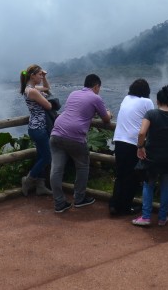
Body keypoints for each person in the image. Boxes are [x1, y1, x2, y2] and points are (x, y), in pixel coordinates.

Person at [49, 73, 112, 213]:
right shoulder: (96, 98)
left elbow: (75, 111)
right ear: (96, 86)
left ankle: (59, 202)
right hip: (75, 137)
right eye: (99, 88)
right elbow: (106, 119)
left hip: (56, 132)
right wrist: (109, 113)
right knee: (83, 166)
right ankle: (79, 198)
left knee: (56, 169)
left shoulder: (73, 93)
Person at [132, 85, 168, 227]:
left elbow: (142, 133)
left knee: (148, 184)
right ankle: (162, 218)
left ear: (157, 101)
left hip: (152, 156)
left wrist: (140, 146)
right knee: (166, 186)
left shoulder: (151, 114)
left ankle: (146, 216)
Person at [110, 78, 153, 216]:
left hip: (119, 140)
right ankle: (125, 207)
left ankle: (114, 205)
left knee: (121, 174)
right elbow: (152, 121)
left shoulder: (126, 98)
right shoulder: (147, 102)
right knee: (132, 176)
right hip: (133, 143)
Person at [19, 65, 53, 197]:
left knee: (40, 156)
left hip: (35, 127)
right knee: (47, 157)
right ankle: (27, 180)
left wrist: (45, 77)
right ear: (32, 76)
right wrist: (45, 99)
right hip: (39, 128)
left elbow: (47, 88)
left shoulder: (30, 89)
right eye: (39, 75)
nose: (41, 76)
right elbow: (48, 105)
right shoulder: (32, 91)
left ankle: (40, 186)